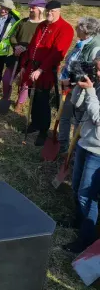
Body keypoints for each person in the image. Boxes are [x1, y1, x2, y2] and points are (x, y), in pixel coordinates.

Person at [21, 0, 74, 146]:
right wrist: (25, 63)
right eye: (48, 11)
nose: (50, 14)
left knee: (43, 99)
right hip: (33, 66)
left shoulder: (65, 28)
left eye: (53, 11)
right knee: (34, 97)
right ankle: (35, 123)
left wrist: (41, 69)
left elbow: (57, 53)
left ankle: (44, 130)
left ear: (59, 11)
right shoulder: (42, 25)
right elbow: (33, 45)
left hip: (45, 70)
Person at [61, 60, 100, 255]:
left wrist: (91, 92)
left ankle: (86, 240)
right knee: (76, 186)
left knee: (87, 195)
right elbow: (78, 105)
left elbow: (98, 118)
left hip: (98, 151)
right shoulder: (96, 83)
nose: (97, 72)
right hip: (85, 141)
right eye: (96, 67)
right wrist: (78, 87)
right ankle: (78, 220)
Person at [57, 17, 100, 153]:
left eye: (79, 27)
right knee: (64, 116)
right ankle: (62, 145)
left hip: (79, 89)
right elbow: (73, 61)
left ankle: (73, 151)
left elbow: (89, 72)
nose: (76, 29)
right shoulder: (82, 42)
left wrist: (70, 81)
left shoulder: (95, 47)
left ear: (85, 30)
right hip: (69, 84)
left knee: (77, 120)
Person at [11, 0, 46, 114]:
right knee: (7, 79)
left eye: (33, 8)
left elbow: (40, 42)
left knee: (25, 82)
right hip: (17, 55)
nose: (30, 9)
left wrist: (26, 48)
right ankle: (7, 97)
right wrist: (16, 46)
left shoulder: (44, 25)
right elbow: (13, 36)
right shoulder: (23, 21)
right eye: (30, 7)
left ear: (40, 9)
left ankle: (20, 103)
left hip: (31, 58)